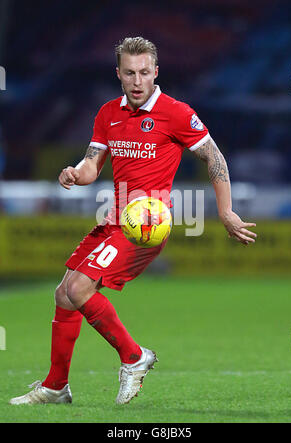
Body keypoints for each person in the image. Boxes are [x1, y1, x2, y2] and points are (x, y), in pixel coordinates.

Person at [10, 36, 257, 406]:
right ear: (119, 75)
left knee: (78, 290)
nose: (138, 80)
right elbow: (93, 163)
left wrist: (225, 210)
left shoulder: (175, 112)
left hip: (146, 224)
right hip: (116, 217)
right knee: (63, 294)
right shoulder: (108, 113)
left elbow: (214, 156)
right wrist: (76, 174)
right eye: (130, 73)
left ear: (156, 72)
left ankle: (133, 356)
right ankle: (56, 386)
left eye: (144, 72)